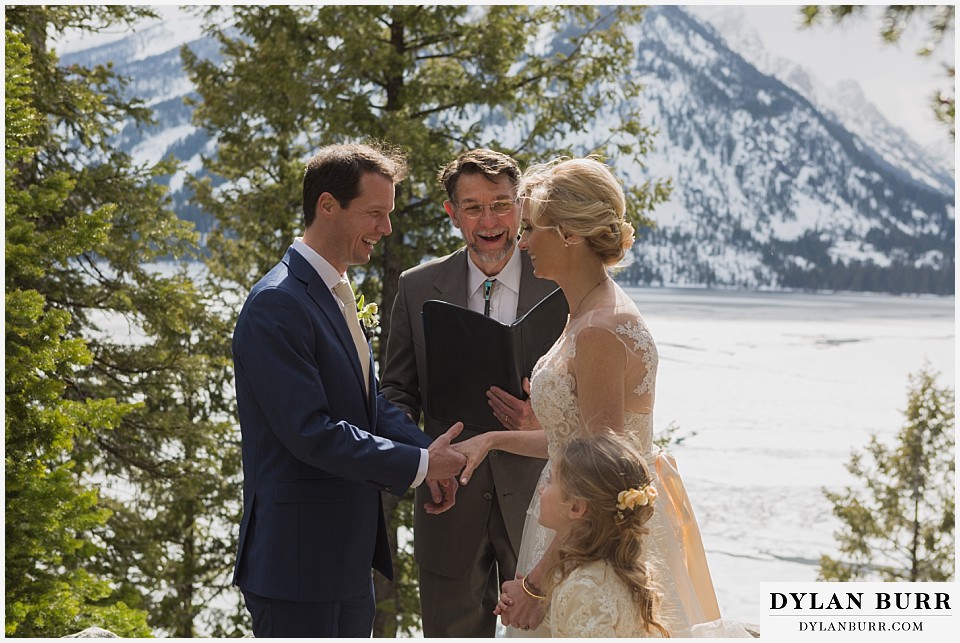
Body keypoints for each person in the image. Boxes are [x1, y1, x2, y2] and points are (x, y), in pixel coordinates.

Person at [454, 157, 723, 636]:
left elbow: (599, 482)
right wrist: (493, 440)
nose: (523, 239)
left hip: (589, 536)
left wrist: (539, 583)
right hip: (567, 518)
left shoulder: (602, 328)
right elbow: (571, 439)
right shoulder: (585, 311)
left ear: (570, 234)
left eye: (533, 228)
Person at [231, 142, 467, 637]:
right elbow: (310, 432)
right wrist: (421, 467)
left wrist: (429, 452)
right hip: (296, 565)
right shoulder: (278, 303)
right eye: (375, 214)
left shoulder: (333, 291)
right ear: (326, 205)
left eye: (389, 214)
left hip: (345, 560)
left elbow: (366, 403)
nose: (385, 228)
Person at [379, 148, 565, 637]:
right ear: (452, 213)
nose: (490, 220)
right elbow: (396, 391)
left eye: (501, 204)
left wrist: (540, 421)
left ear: (521, 206)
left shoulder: (560, 283)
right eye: (474, 207)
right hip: (448, 504)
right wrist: (425, 458)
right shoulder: (417, 287)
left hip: (540, 505)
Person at [498, 432, 670, 638]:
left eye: (551, 481)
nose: (542, 489)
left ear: (576, 507)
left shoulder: (584, 587)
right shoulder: (608, 570)